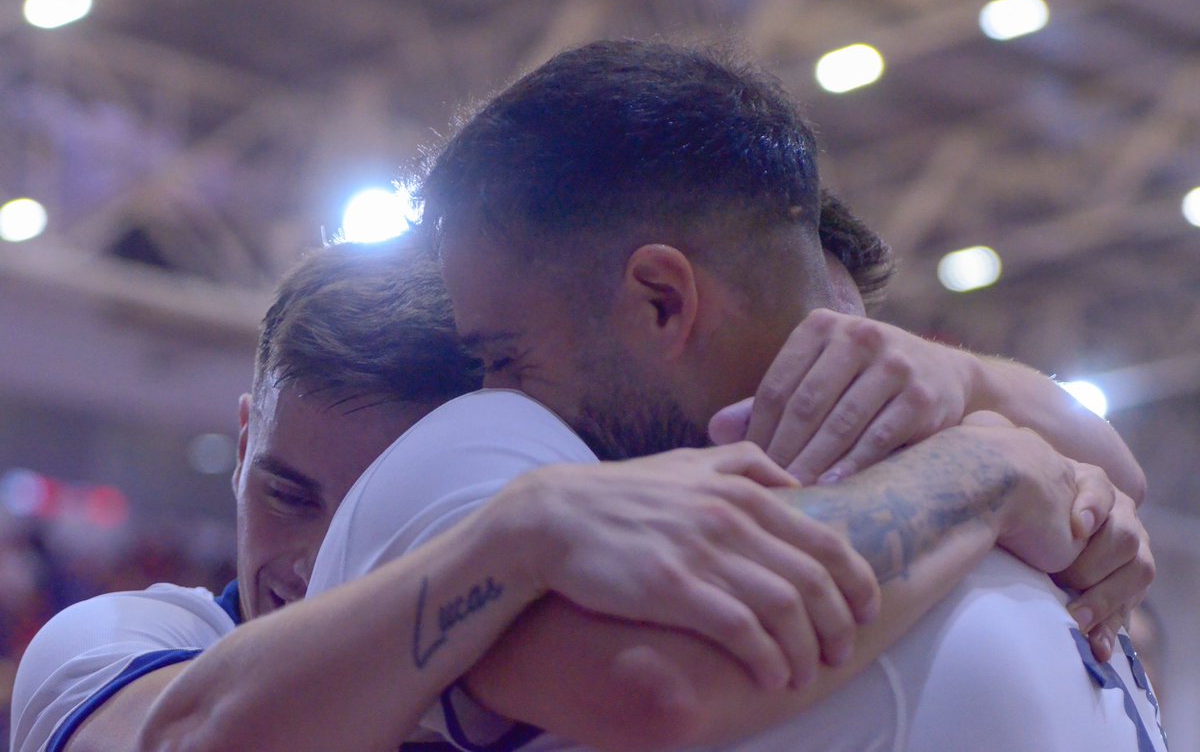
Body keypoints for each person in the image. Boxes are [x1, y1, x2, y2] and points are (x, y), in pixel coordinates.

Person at [309, 39, 1161, 750]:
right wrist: (989, 465)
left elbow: (1124, 473)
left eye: (502, 353)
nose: (492, 385)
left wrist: (976, 392)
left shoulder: (967, 441)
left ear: (663, 302)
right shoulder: (490, 446)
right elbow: (659, 680)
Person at [11, 237, 880, 752]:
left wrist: (1006, 436)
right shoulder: (118, 643)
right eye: (288, 492)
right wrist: (518, 535)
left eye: (385, 513)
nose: (316, 563)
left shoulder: (544, 668)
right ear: (244, 442)